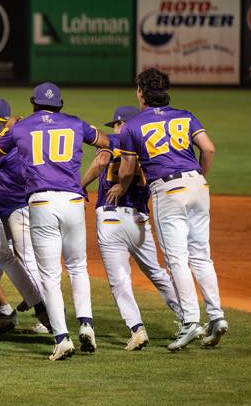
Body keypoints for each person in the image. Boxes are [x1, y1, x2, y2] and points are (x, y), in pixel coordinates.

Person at [0, 82, 109, 361]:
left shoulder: (21, 127)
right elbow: (105, 142)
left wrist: (7, 131)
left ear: (33, 104)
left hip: (40, 203)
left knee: (50, 274)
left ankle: (62, 338)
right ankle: (86, 323)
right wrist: (106, 151)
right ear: (60, 104)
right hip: (73, 200)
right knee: (78, 266)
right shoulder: (75, 123)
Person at [106, 68, 226, 351]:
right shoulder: (185, 115)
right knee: (201, 255)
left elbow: (127, 169)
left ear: (141, 93)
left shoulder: (133, 126)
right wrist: (200, 176)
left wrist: (122, 187)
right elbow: (208, 149)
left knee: (176, 259)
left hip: (167, 190)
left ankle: (190, 323)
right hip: (197, 185)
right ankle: (217, 316)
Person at [81, 105, 182, 351]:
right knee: (157, 273)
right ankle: (188, 318)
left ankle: (137, 329)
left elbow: (102, 159)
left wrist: (81, 184)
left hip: (111, 218)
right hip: (139, 219)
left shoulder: (115, 141)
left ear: (121, 124)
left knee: (119, 281)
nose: (114, 129)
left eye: (115, 124)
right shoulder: (150, 147)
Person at [0, 97, 49, 335]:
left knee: (26, 260)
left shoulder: (3, 144)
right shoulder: (17, 137)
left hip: (18, 209)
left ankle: (46, 313)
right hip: (10, 209)